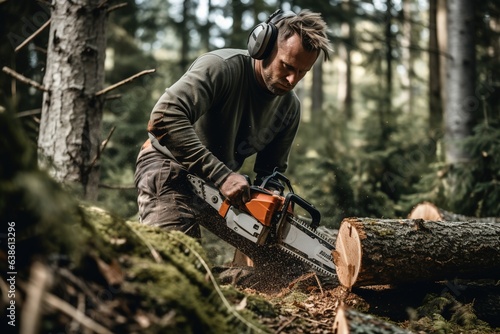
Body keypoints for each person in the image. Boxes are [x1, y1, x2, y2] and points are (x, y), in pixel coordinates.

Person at [134, 9, 331, 246]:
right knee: (179, 257)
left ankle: (233, 280)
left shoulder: (289, 108)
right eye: (287, 66)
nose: (292, 80)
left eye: (302, 72)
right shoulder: (221, 68)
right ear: (264, 47)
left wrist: (273, 195)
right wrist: (222, 175)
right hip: (169, 168)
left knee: (282, 261)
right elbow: (164, 117)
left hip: (222, 187)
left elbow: (271, 171)